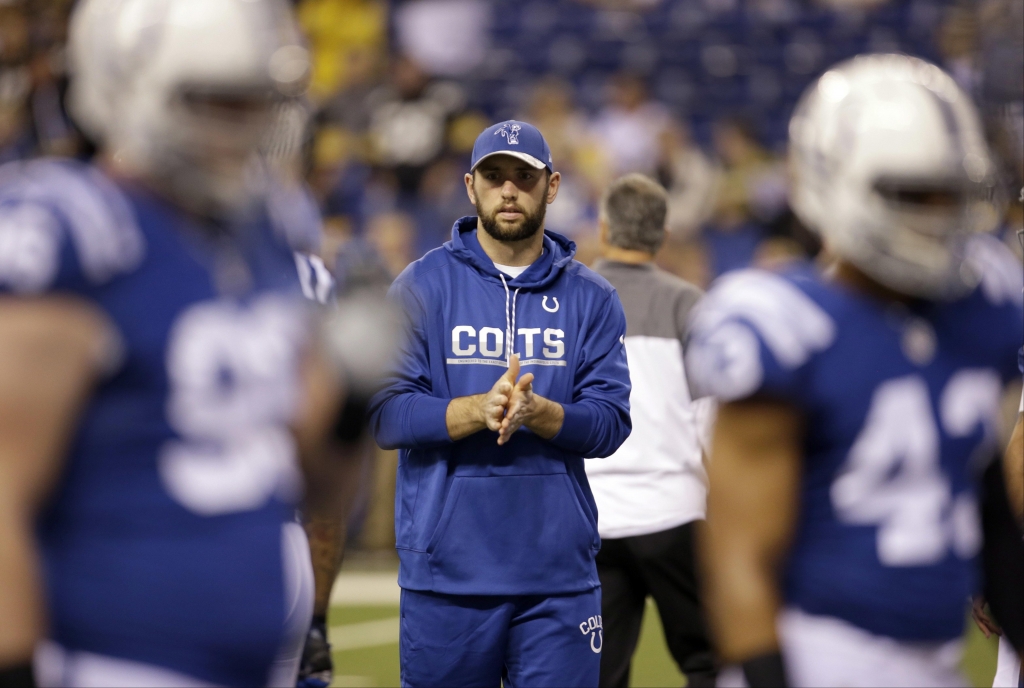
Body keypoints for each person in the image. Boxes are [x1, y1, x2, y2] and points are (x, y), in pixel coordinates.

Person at [0, 1, 345, 686]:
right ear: (127, 87)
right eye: (216, 100)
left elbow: (316, 477)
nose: (240, 126)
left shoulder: (262, 235)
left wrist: (352, 393)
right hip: (112, 661)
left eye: (252, 101)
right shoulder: (76, 228)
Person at [685, 54, 1023, 688]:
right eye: (907, 192)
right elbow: (739, 557)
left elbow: (988, 509)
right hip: (818, 655)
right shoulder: (785, 324)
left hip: (936, 658)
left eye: (945, 191)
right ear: (831, 181)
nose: (932, 212)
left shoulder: (984, 310)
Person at [368, 120, 632, 687]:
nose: (508, 190)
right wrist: (475, 410)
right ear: (471, 186)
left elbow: (611, 423)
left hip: (558, 578)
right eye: (494, 177)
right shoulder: (421, 286)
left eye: (524, 177)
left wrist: (544, 415)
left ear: (553, 186)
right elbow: (385, 413)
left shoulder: (593, 297)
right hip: (447, 578)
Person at [584, 174, 716, 688]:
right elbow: (712, 422)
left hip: (592, 515)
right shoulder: (691, 305)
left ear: (603, 227)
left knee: (598, 673)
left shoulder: (570, 299)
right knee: (710, 663)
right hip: (675, 510)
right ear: (663, 236)